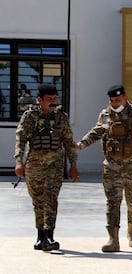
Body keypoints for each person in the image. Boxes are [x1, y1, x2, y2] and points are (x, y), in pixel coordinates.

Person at [77, 85, 132, 252]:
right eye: (111, 100)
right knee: (112, 203)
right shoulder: (105, 114)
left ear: (125, 98)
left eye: (117, 100)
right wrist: (80, 145)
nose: (114, 103)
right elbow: (96, 132)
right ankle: (113, 239)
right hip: (112, 166)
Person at [14, 83, 79, 252]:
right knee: (38, 201)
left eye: (54, 98)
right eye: (49, 99)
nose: (53, 101)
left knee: (51, 198)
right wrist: (19, 162)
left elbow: (68, 142)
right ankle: (40, 236)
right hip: (34, 165)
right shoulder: (30, 116)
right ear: (40, 100)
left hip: (55, 165)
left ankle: (49, 235)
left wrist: (73, 165)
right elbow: (20, 139)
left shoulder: (61, 117)